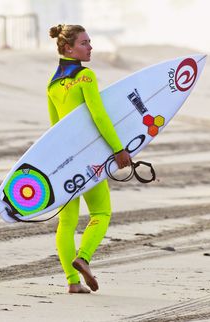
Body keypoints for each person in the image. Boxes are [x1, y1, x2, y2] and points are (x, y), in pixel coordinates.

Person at [47, 24, 131, 294]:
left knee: (67, 222)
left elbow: (54, 130)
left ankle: (72, 282)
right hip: (89, 158)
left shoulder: (52, 85)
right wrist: (118, 149)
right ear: (68, 48)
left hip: (63, 159)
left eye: (90, 42)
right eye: (84, 43)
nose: (90, 47)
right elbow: (99, 116)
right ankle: (83, 256)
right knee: (101, 212)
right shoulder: (86, 77)